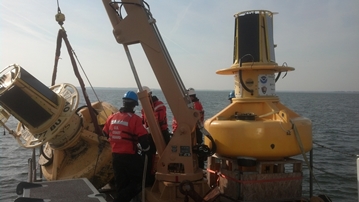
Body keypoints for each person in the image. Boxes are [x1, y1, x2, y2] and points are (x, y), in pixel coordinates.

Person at [102, 91, 150, 202]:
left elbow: (105, 133)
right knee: (139, 181)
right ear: (134, 105)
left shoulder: (112, 117)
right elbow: (143, 139)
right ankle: (119, 200)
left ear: (123, 103)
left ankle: (120, 198)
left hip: (115, 156)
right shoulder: (135, 119)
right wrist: (147, 150)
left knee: (121, 183)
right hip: (130, 156)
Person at [140, 86, 171, 186]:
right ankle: (149, 177)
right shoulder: (145, 106)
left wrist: (146, 129)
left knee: (167, 154)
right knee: (149, 155)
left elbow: (156, 121)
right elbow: (143, 120)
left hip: (162, 133)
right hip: (150, 133)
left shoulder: (159, 105)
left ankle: (169, 174)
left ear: (149, 95)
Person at [172, 87, 206, 169]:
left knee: (194, 149)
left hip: (194, 131)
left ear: (191, 96)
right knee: (195, 149)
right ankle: (197, 166)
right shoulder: (196, 104)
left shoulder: (195, 105)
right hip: (194, 130)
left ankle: (197, 167)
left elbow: (192, 119)